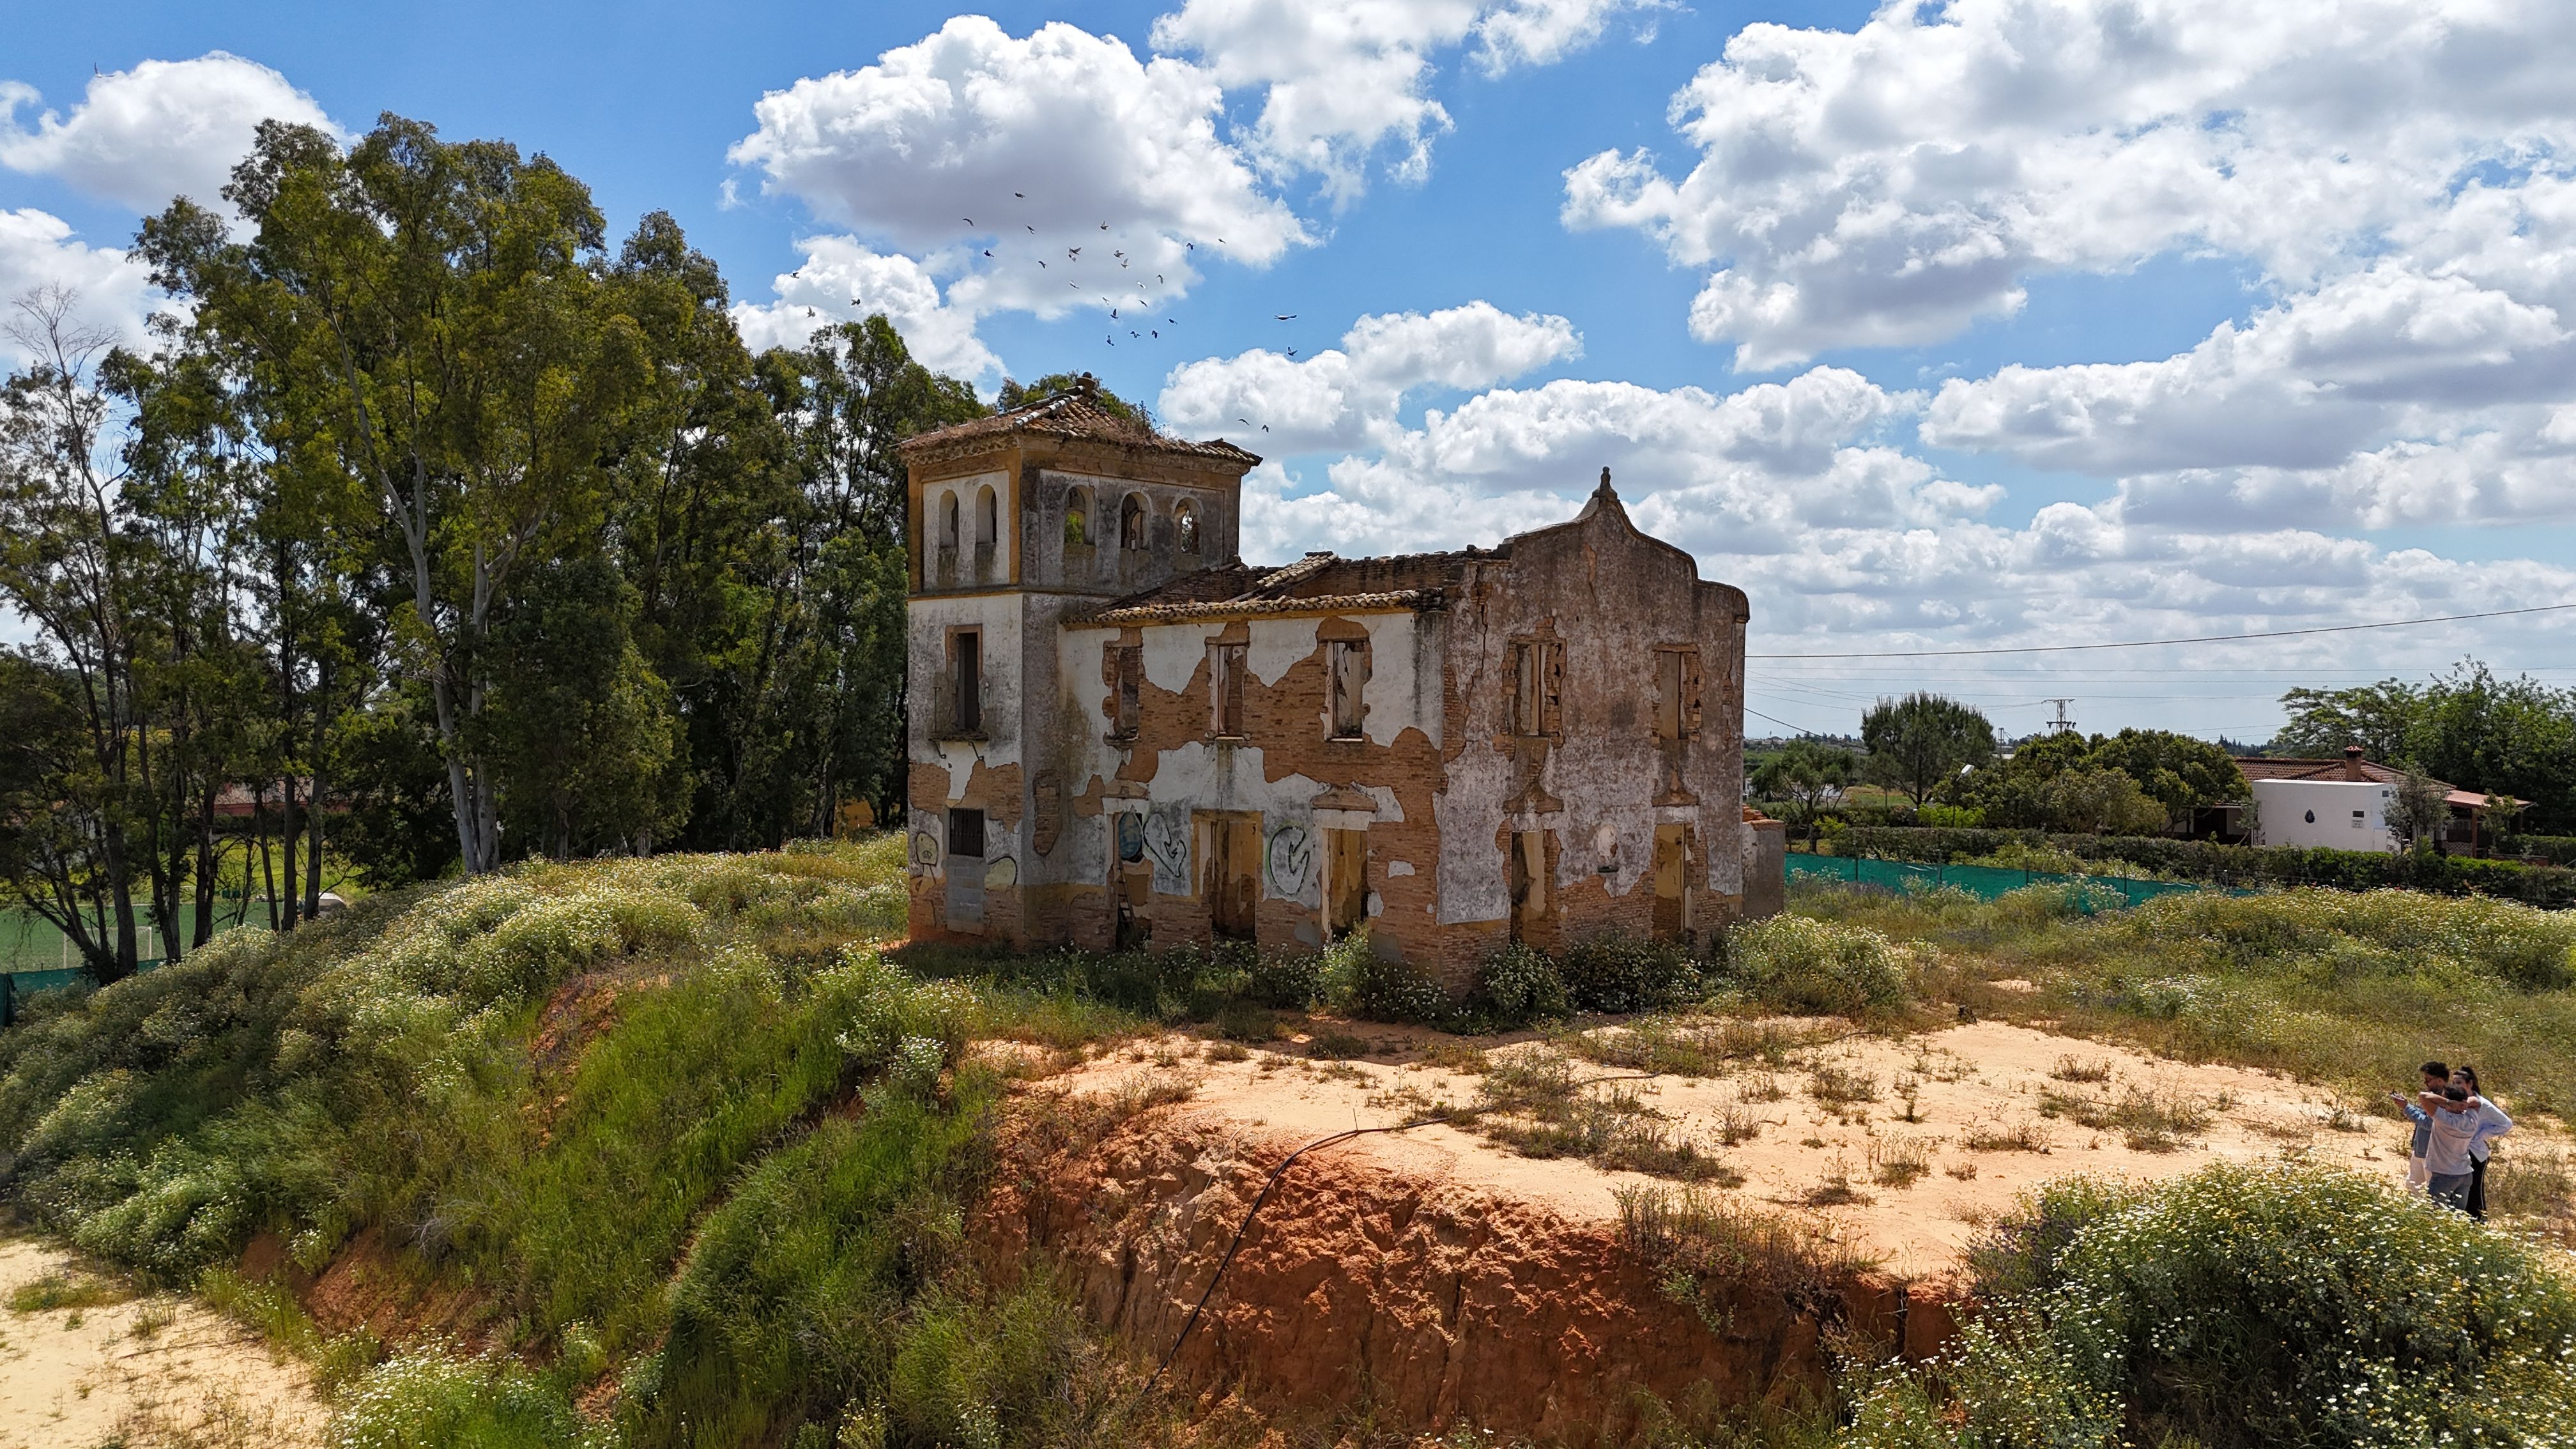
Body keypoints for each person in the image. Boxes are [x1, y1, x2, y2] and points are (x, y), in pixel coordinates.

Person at [2453, 1065, 2512, 1222]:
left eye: (2459, 1083)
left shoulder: (2483, 1104)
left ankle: (2480, 1221)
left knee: (2475, 1189)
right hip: (2460, 1151)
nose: (2456, 1086)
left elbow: (2506, 1124)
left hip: (2476, 1152)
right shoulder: (2458, 1102)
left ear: (2469, 1084)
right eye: (2454, 1083)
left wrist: (2480, 1135)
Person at [2418, 1084, 2485, 1212]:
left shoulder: (2444, 1118)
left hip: (2444, 1176)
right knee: (2457, 1220)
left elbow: (2423, 1096)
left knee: (2434, 1217)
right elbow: (2476, 1102)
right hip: (2465, 1174)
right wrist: (2463, 1104)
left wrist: (2449, 1103)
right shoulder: (2471, 1118)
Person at [2386, 1061, 2451, 1192]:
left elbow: (2428, 1123)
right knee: (2413, 1190)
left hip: (2433, 1156)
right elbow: (2424, 1115)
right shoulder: (2430, 1097)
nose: (2426, 1083)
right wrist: (2408, 1106)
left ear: (2439, 1080)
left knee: (2433, 1195)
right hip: (2420, 1150)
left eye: (2428, 1080)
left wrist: (2407, 1107)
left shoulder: (2445, 1100)